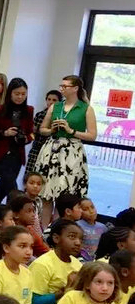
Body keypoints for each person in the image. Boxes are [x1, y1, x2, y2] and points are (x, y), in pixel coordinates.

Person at [32, 75, 97, 225]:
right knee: (46, 194)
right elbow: (42, 129)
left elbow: (92, 135)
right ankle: (43, 231)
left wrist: (71, 130)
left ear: (75, 89)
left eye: (65, 86)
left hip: (72, 152)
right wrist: (51, 129)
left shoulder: (86, 108)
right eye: (61, 86)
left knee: (65, 197)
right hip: (52, 149)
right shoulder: (56, 106)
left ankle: (58, 228)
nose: (62, 89)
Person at [0, 77, 35, 205]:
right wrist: (4, 133)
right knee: (11, 186)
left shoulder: (29, 110)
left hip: (17, 154)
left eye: (23, 94)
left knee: (2, 190)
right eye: (17, 94)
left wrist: (26, 138)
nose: (20, 97)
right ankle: (20, 209)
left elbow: (31, 132)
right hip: (1, 154)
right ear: (10, 93)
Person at [30, 219, 83, 304]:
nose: (78, 243)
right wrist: (64, 291)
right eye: (72, 237)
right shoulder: (42, 264)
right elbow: (33, 303)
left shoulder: (78, 264)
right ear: (56, 238)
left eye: (80, 239)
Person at [26, 90, 62, 175]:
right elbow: (33, 133)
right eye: (49, 99)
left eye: (54, 100)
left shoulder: (60, 116)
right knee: (30, 174)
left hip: (51, 150)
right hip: (36, 148)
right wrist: (31, 135)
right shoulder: (40, 114)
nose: (50, 102)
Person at [77, 197, 106, 261]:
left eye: (92, 207)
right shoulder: (77, 226)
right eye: (85, 209)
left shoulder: (102, 227)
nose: (91, 211)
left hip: (96, 260)